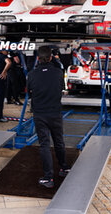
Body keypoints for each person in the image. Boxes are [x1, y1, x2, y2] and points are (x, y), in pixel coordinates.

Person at [27, 45, 70, 189]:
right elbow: (61, 88)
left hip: (40, 114)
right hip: (55, 112)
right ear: (51, 57)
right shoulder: (58, 73)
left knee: (44, 144)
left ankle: (48, 178)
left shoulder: (32, 74)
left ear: (38, 58)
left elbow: (30, 93)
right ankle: (64, 169)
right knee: (59, 142)